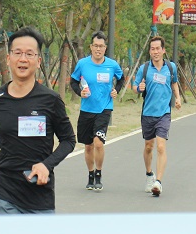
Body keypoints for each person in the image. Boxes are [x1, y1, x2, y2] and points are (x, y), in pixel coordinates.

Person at [0, 26, 76, 214]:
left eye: (29, 54)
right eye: (18, 53)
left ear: (38, 61)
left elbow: (68, 140)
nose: (23, 59)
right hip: (5, 194)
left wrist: (46, 165)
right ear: (8, 58)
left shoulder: (50, 100)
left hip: (40, 198)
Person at [70, 31, 125, 191]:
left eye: (101, 46)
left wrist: (116, 90)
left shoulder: (112, 65)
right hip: (87, 109)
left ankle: (99, 173)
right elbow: (73, 81)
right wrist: (80, 93)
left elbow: (121, 78)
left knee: (98, 144)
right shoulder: (82, 64)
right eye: (95, 46)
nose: (98, 49)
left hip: (104, 108)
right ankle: (91, 174)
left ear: (105, 48)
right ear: (91, 47)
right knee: (88, 146)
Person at [132, 35, 181, 197]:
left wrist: (178, 98)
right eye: (152, 49)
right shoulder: (144, 69)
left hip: (164, 114)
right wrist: (139, 88)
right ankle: (149, 174)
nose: (155, 52)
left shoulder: (171, 67)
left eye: (158, 48)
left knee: (161, 146)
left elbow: (174, 83)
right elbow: (134, 87)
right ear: (150, 51)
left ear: (163, 50)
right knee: (148, 146)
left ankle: (158, 182)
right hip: (147, 113)